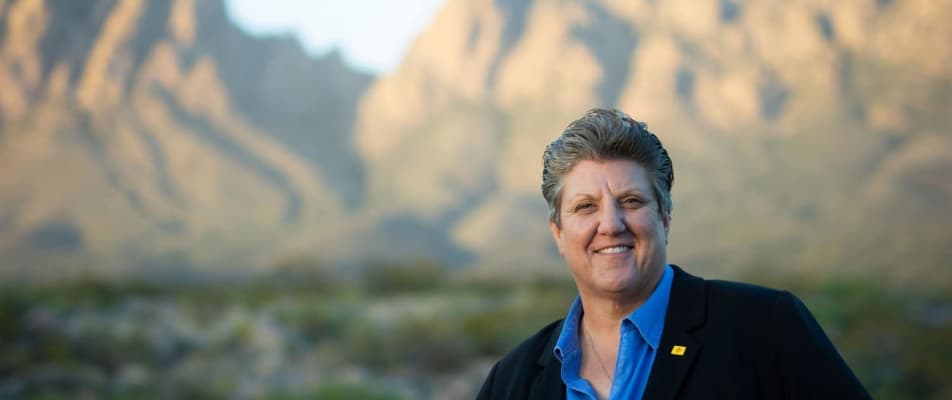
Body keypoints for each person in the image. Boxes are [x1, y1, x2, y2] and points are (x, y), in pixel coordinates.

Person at [476, 109, 869, 399]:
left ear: (664, 217)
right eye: (585, 207)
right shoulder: (512, 380)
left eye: (631, 201)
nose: (611, 224)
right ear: (558, 233)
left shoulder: (765, 328)